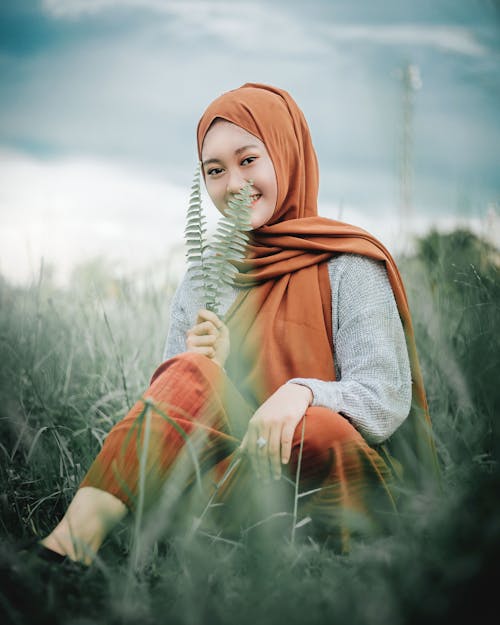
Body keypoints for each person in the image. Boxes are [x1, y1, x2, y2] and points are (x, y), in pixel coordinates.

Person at [37, 83, 438, 566]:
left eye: (249, 160)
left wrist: (302, 393)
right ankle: (66, 552)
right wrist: (213, 370)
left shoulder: (348, 264)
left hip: (332, 475)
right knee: (190, 371)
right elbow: (169, 416)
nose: (233, 184)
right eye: (215, 170)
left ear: (286, 153)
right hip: (239, 480)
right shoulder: (204, 277)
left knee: (315, 427)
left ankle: (331, 560)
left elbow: (384, 396)